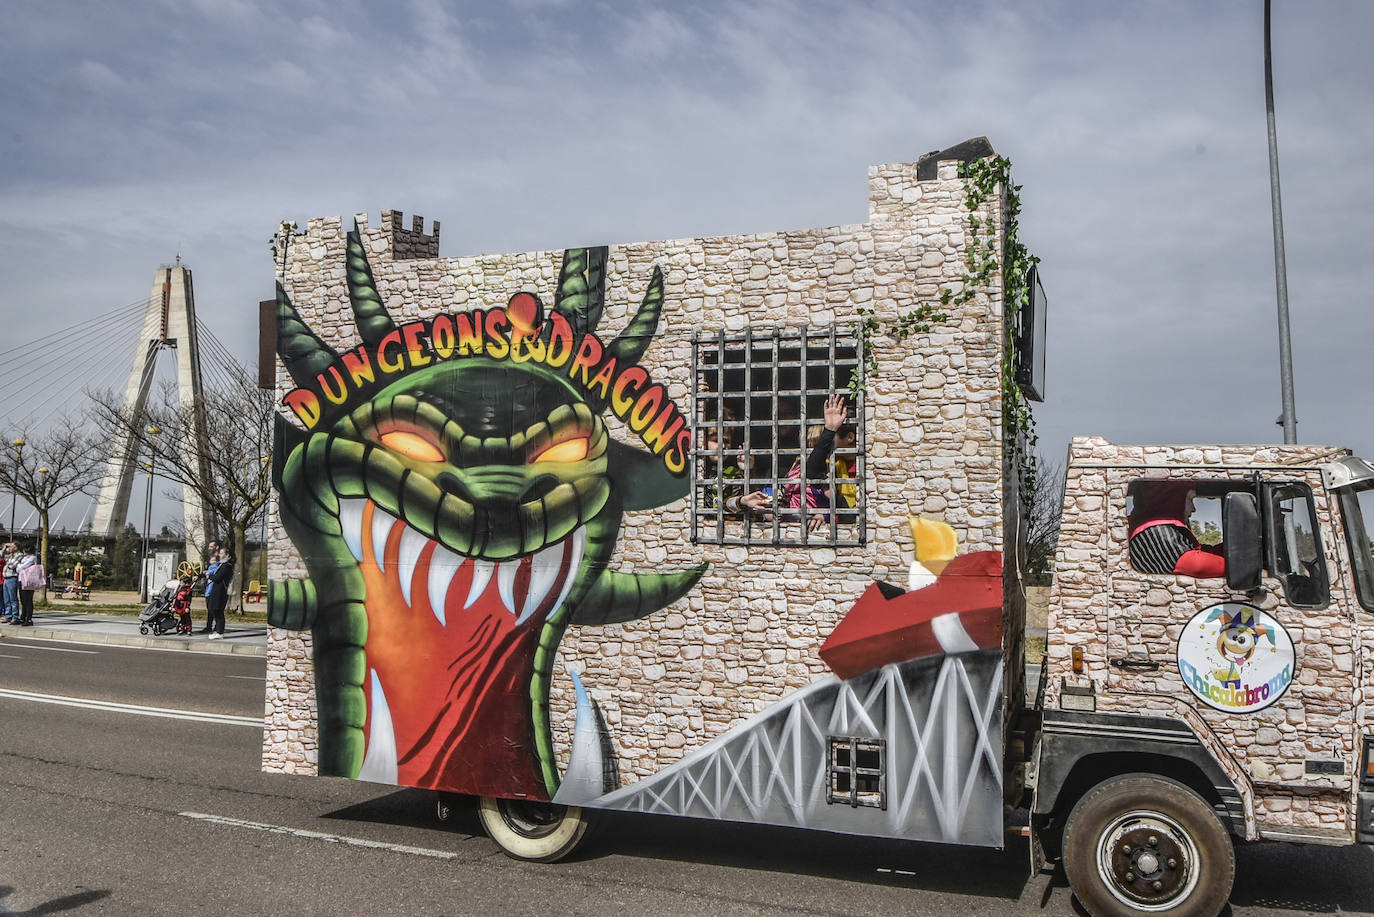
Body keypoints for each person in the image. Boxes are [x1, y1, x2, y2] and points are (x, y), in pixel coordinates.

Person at [1128, 483, 1225, 578]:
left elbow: (1202, 551)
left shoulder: (1153, 529)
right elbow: (1196, 566)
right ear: (1172, 500)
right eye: (1190, 499)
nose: (1193, 509)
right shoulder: (1154, 530)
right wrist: (1237, 563)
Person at [203, 547, 234, 639]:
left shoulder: (227, 566)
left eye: (221, 553)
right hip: (216, 590)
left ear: (227, 555)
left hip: (221, 591)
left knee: (218, 610)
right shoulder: (221, 565)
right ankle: (217, 630)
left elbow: (218, 577)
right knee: (213, 609)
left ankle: (220, 631)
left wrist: (210, 576)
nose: (219, 555)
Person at [15, 546, 44, 626]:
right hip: (21, 579)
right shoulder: (24, 558)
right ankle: (23, 617)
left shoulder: (32, 558)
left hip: (29, 581)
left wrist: (20, 566)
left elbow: (22, 566)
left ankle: (29, 618)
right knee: (23, 599)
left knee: (28, 600)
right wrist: (20, 566)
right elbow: (18, 568)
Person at [2, 543, 20, 623]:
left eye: (11, 546)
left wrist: (7, 560)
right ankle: (8, 616)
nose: (9, 548)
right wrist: (4, 549)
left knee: (13, 598)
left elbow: (12, 566)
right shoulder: (10, 555)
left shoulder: (19, 555)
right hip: (6, 578)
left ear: (16, 548)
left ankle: (15, 616)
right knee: (6, 599)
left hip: (12, 578)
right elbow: (1, 555)